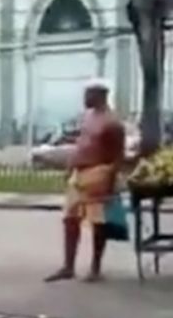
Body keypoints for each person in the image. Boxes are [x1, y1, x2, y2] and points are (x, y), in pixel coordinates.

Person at [45, 80, 125, 283]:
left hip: (99, 174)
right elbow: (81, 144)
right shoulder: (88, 117)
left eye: (88, 94)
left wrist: (110, 182)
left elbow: (118, 157)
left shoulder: (112, 122)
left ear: (100, 95)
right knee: (70, 219)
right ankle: (68, 266)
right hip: (79, 175)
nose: (84, 99)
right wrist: (71, 166)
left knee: (98, 224)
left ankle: (95, 268)